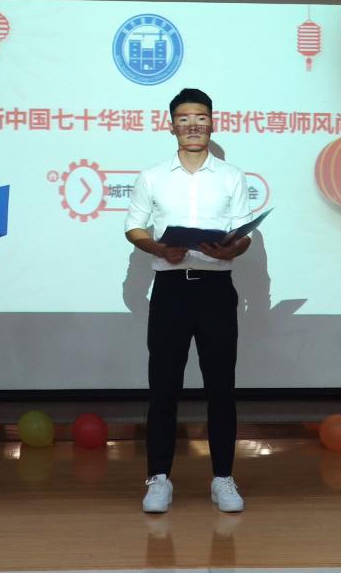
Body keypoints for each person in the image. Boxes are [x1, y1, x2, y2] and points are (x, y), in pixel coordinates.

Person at [124, 88, 252, 513]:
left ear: (212, 122)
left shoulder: (231, 176)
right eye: (184, 118)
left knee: (221, 388)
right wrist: (160, 248)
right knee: (163, 388)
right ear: (171, 125)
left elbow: (244, 235)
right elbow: (134, 227)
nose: (193, 124)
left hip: (217, 290)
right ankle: (158, 478)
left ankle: (223, 478)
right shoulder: (152, 176)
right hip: (171, 290)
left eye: (200, 117)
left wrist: (231, 248)